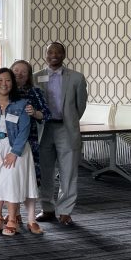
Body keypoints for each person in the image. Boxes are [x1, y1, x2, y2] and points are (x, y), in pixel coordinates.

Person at [0, 68, 39, 237]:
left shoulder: (22, 104)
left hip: (16, 148)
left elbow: (25, 129)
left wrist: (15, 152)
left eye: (7, 80)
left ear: (12, 84)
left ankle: (12, 219)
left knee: (11, 182)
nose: (3, 84)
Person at [34, 42, 87, 226]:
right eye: (50, 51)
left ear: (64, 55)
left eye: (58, 52)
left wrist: (70, 120)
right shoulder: (36, 77)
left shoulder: (77, 78)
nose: (54, 55)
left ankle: (65, 211)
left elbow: (80, 106)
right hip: (44, 129)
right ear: (45, 55)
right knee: (45, 172)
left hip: (66, 129)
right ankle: (47, 208)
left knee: (68, 172)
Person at [11, 60, 51, 234]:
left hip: (29, 142)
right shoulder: (4, 91)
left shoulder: (35, 92)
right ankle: (14, 215)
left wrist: (34, 113)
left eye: (23, 72)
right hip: (8, 143)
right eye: (16, 70)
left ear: (29, 76)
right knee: (11, 180)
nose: (19, 74)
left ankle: (31, 218)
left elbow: (47, 114)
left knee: (29, 180)